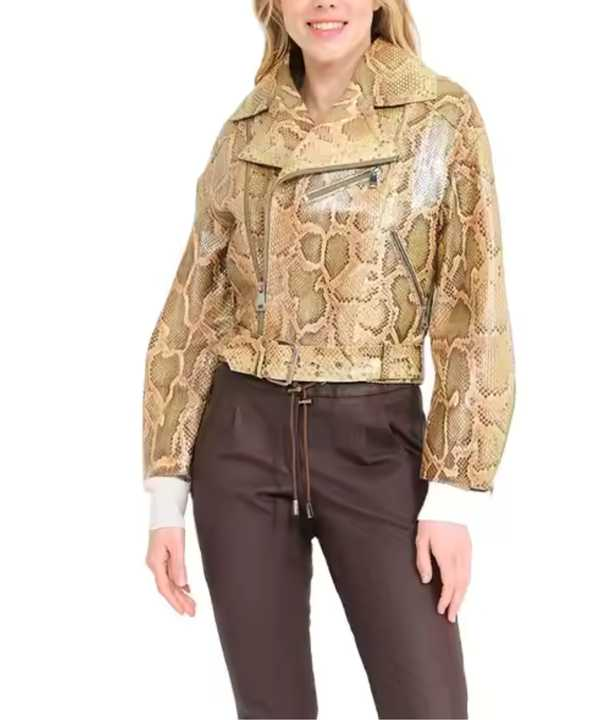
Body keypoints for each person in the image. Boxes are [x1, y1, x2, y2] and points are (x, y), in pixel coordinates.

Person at [142, 1, 516, 717]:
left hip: (376, 442)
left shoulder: (438, 116)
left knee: (428, 704)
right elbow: (195, 305)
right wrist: (166, 493)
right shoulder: (246, 129)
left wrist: (453, 496)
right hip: (241, 443)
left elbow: (474, 307)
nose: (324, 3)